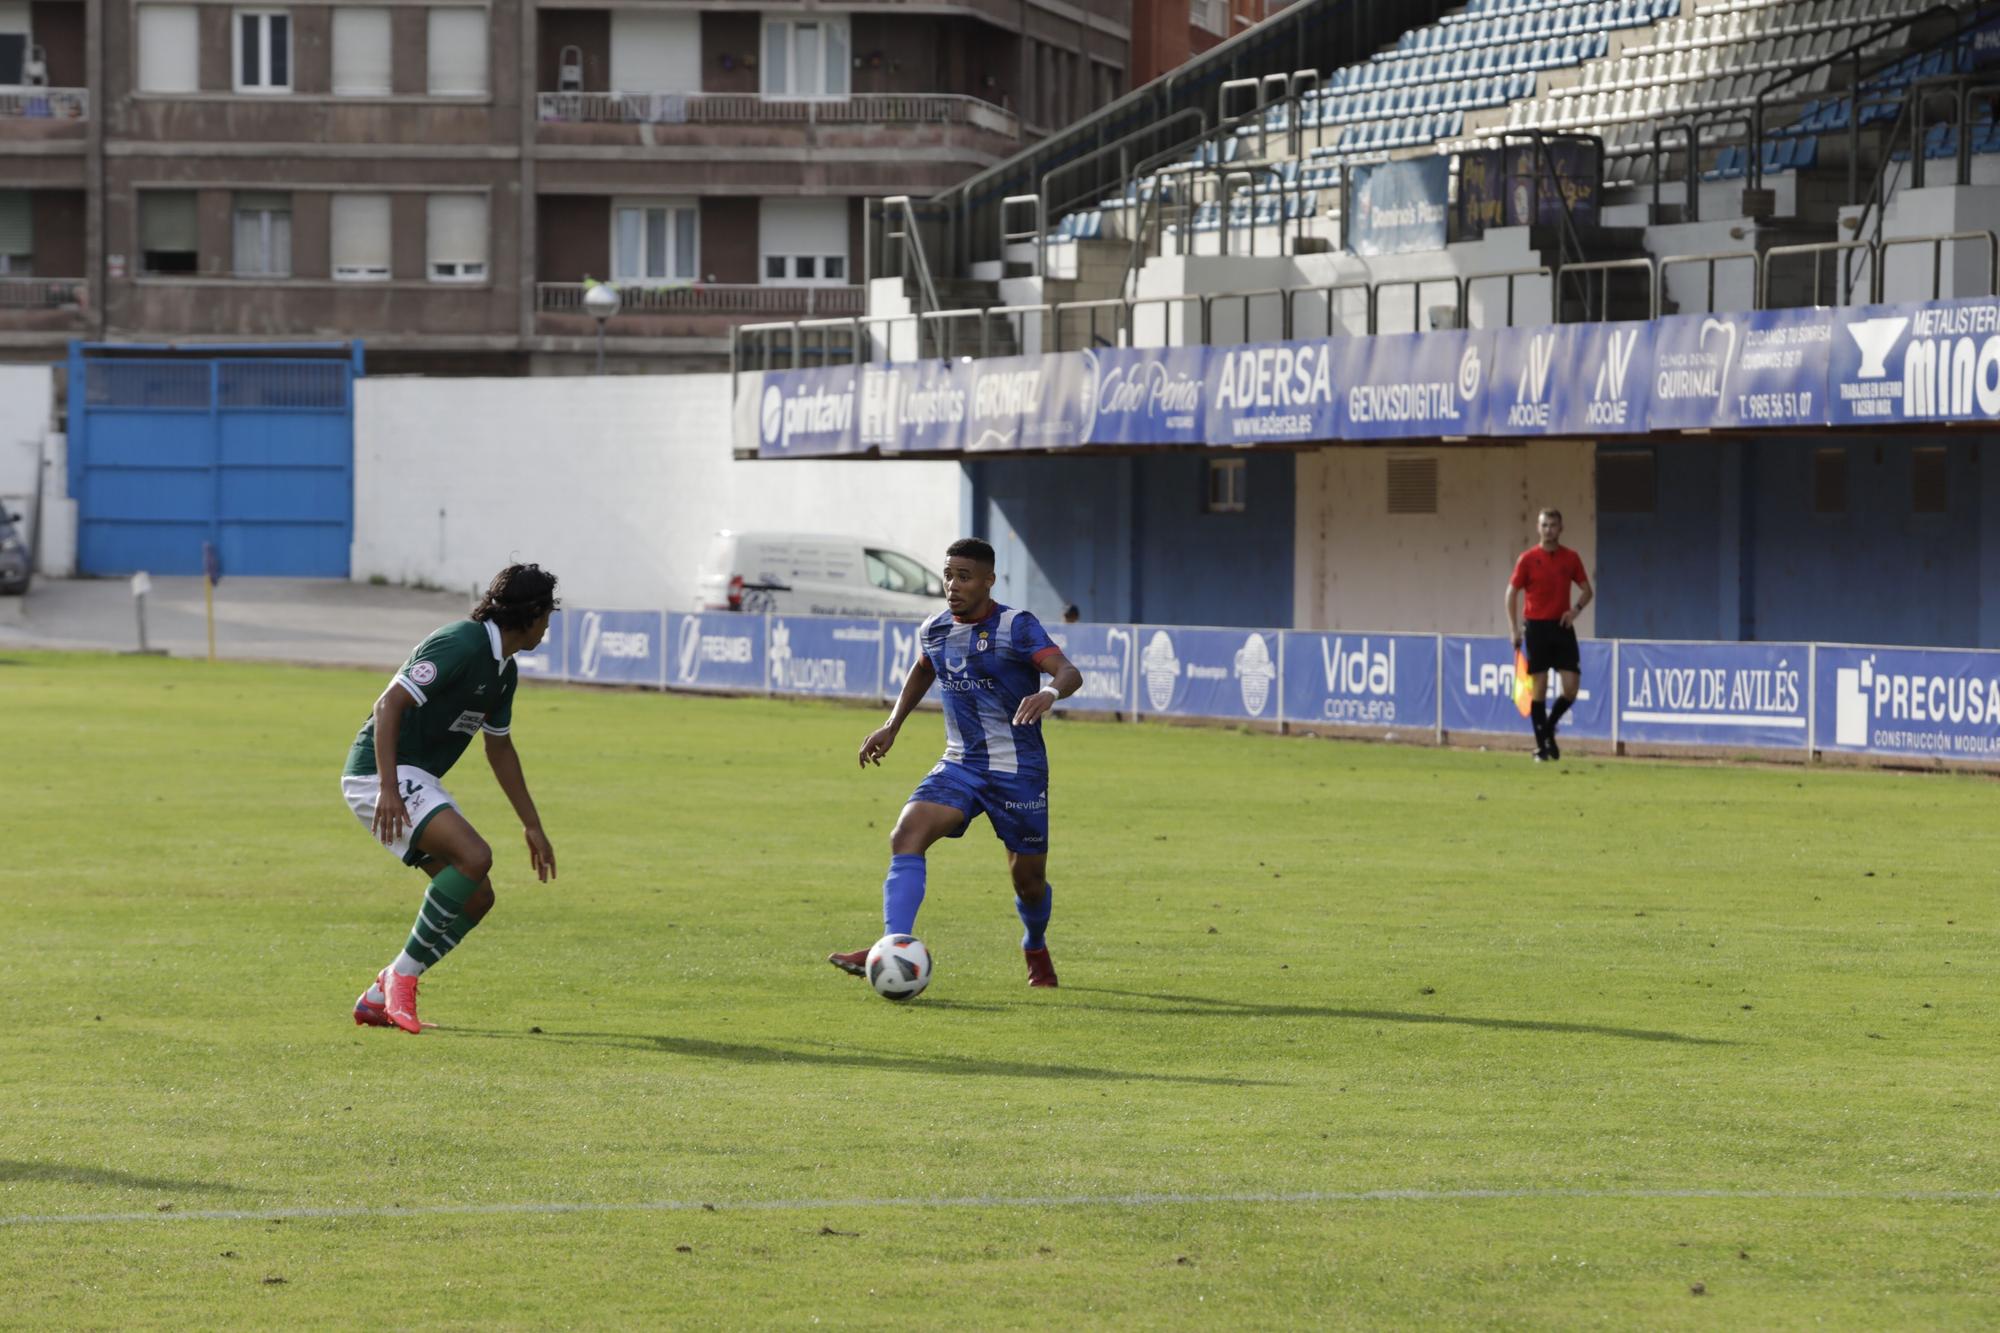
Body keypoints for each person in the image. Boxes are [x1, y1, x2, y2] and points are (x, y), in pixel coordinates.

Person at [833, 538, 1084, 988]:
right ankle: (893, 945)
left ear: (989, 581)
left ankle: (1034, 944)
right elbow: (925, 668)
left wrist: (1048, 693)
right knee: (906, 833)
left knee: (1028, 883)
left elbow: (1068, 671)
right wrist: (892, 725)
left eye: (964, 577)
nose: (953, 585)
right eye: (948, 575)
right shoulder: (934, 629)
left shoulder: (1016, 626)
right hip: (961, 765)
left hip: (1018, 772)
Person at [341, 564, 561, 1033]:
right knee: (475, 855)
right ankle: (402, 976)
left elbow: (498, 748)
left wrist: (532, 824)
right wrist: (386, 788)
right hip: (378, 773)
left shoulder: (505, 671)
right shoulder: (462, 641)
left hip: (415, 777)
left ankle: (380, 995)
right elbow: (389, 705)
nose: (547, 627)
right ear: (531, 613)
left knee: (478, 898)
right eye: (547, 616)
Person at [1505, 508, 1593, 762]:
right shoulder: (1527, 559)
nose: (1549, 530)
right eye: (1545, 525)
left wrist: (1574, 611)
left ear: (1561, 528)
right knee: (1539, 688)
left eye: (1553, 525)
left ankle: (1549, 730)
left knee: (1572, 687)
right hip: (1536, 628)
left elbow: (1587, 591)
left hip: (1561, 627)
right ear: (1538, 528)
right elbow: (1510, 593)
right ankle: (1542, 747)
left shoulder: (1571, 558)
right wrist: (1513, 629)